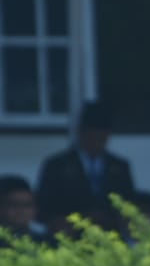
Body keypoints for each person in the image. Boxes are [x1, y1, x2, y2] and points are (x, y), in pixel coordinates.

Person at [35, 101, 138, 236]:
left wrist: (108, 218)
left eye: (102, 136)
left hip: (109, 238)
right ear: (81, 132)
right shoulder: (57, 166)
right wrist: (80, 218)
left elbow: (129, 205)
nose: (97, 140)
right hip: (69, 237)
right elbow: (42, 208)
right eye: (93, 134)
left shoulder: (119, 167)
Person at [0, 175, 48, 243]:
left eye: (27, 205)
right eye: (14, 204)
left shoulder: (45, 243)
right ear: (1, 207)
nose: (21, 210)